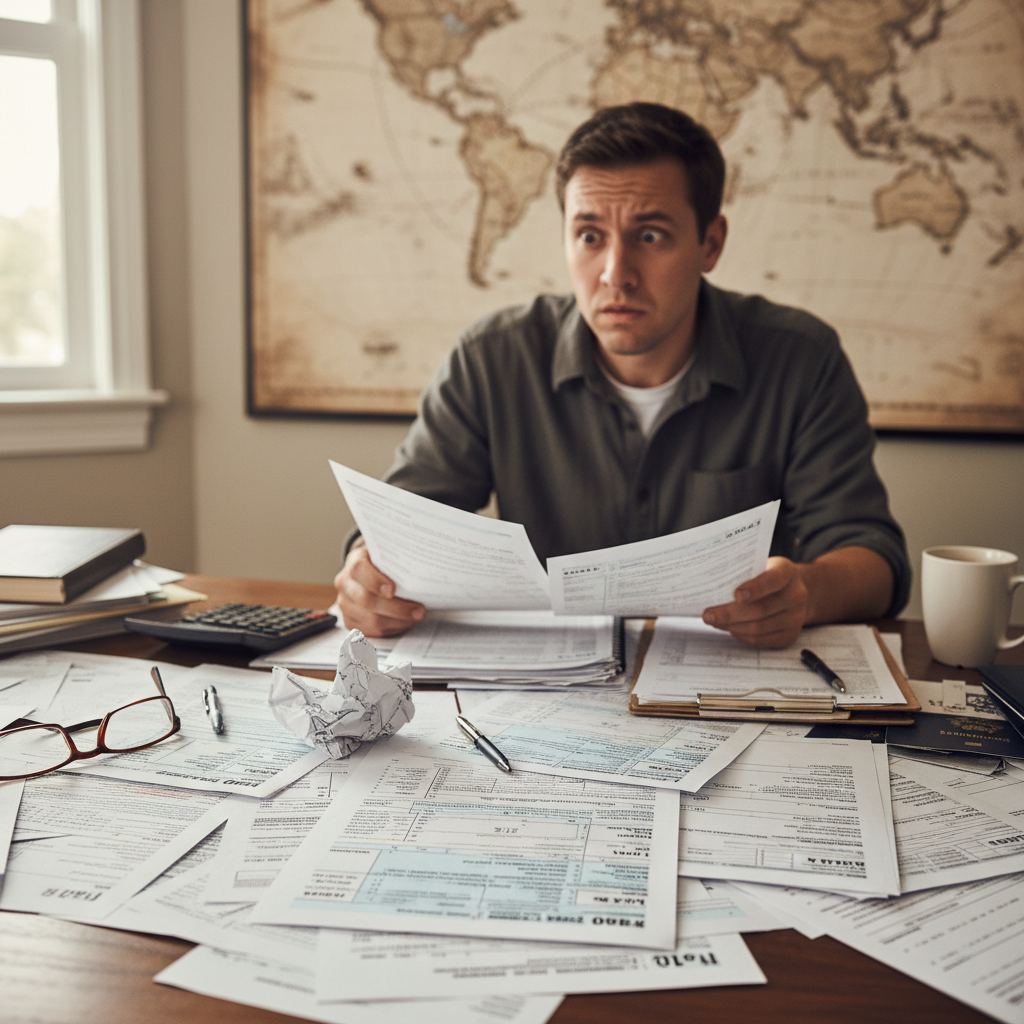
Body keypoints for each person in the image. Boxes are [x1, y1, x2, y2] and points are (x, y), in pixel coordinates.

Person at [335, 102, 910, 647]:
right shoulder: (492, 358)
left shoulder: (800, 360)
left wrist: (805, 594)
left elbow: (872, 558)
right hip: (545, 692)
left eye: (650, 236)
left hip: (727, 686)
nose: (616, 274)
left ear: (710, 243)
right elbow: (402, 531)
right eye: (590, 236)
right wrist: (367, 574)